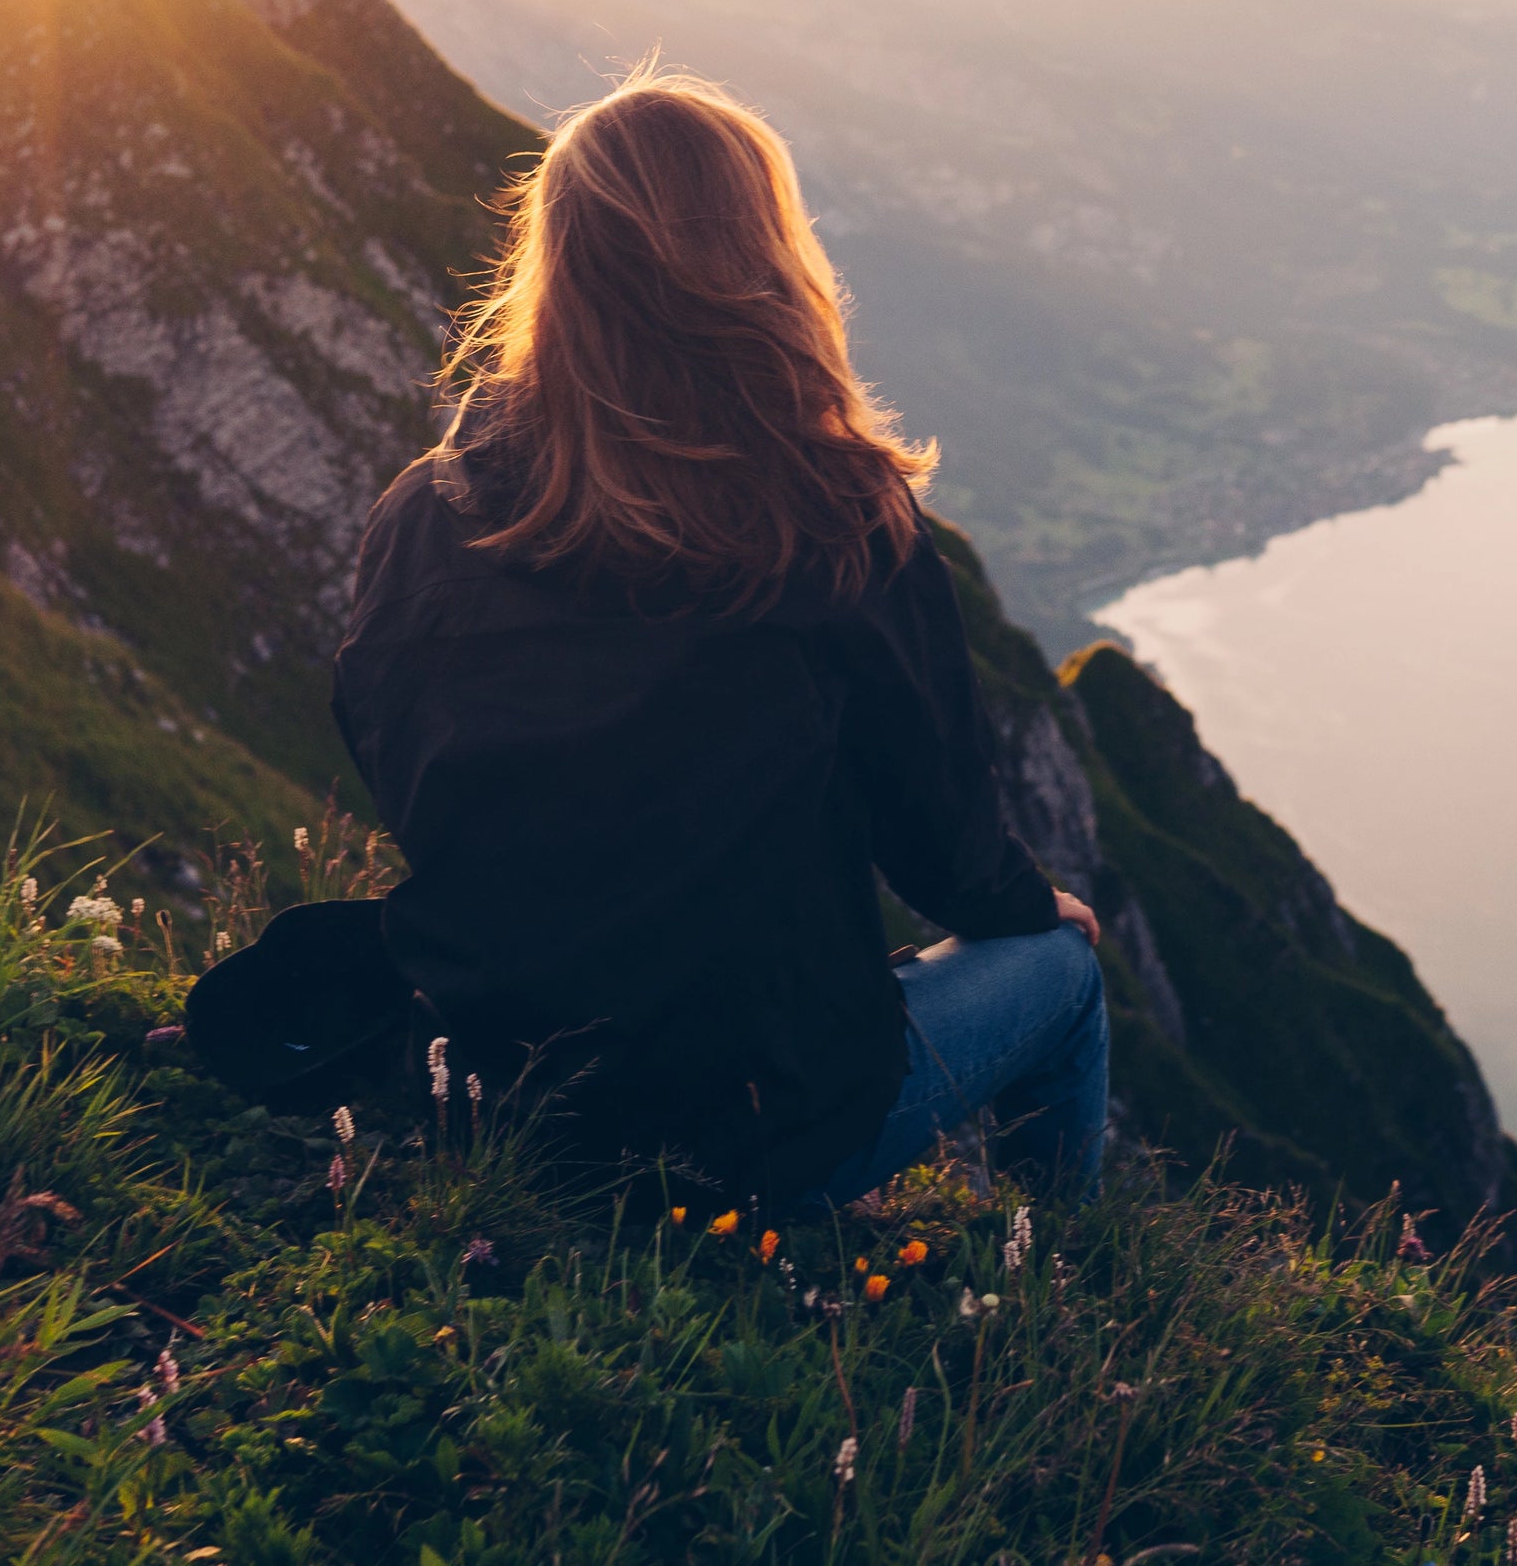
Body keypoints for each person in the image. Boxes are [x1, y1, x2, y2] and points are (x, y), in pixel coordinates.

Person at [329, 67, 1108, 1208]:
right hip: (755, 1127)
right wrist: (1034, 911)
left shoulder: (425, 511)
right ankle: (1062, 1283)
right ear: (759, 256)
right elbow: (944, 846)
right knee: (1065, 974)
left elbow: (390, 752)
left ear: (559, 265)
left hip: (502, 1088)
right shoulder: (830, 519)